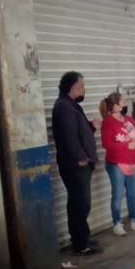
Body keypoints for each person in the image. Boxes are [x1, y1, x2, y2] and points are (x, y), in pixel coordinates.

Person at [51, 71, 102, 255]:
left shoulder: (70, 105)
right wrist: (81, 157)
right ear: (74, 88)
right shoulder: (64, 107)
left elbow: (77, 132)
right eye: (82, 86)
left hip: (78, 163)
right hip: (75, 165)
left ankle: (83, 238)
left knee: (82, 203)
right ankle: (81, 244)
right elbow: (68, 138)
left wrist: (90, 127)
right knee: (79, 204)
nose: (84, 89)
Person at [100, 93, 135, 236]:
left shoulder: (129, 120)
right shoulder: (108, 122)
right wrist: (126, 146)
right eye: (123, 102)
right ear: (115, 106)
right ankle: (116, 222)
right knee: (117, 194)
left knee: (132, 193)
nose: (125, 105)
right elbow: (106, 144)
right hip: (116, 164)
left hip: (132, 162)